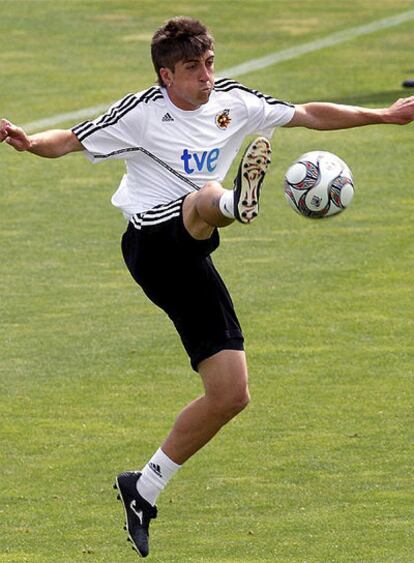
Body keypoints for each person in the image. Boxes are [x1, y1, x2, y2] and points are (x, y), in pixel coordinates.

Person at [2, 16, 414, 559]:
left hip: (190, 259)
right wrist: (29, 142)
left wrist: (384, 114)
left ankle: (143, 487)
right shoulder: (141, 114)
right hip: (151, 242)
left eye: (210, 63)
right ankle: (232, 201)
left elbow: (308, 113)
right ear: (165, 76)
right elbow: (70, 141)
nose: (207, 76)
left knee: (230, 393)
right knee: (204, 198)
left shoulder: (234, 102)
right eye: (193, 68)